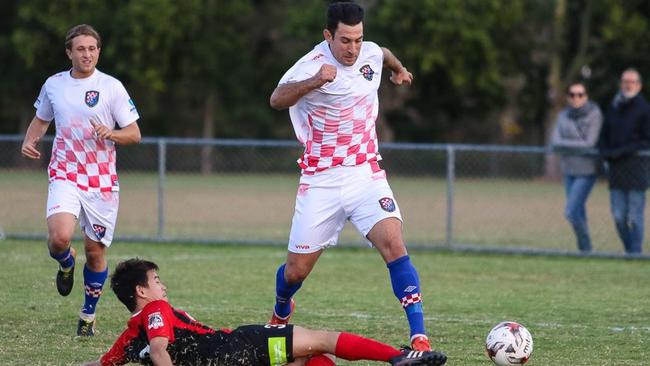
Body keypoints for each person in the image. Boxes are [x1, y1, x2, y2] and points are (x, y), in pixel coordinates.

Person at [268, 2, 434, 352]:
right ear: (328, 35)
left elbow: (384, 53)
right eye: (345, 40)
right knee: (295, 272)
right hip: (321, 180)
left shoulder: (370, 54)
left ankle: (419, 335)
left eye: (358, 39)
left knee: (395, 246)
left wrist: (399, 70)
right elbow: (277, 98)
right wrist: (315, 82)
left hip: (365, 174)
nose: (353, 48)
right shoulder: (310, 65)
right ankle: (282, 307)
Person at [82, 258, 447, 366]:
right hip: (239, 347)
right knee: (321, 339)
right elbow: (160, 349)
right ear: (141, 292)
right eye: (156, 280)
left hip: (236, 360)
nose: (163, 287)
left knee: (306, 357)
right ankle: (398, 358)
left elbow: (104, 363)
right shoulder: (156, 310)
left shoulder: (131, 336)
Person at [20, 24, 141, 336]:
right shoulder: (54, 85)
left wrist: (111, 133)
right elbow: (41, 118)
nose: (87, 54)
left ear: (98, 51)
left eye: (92, 48)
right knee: (59, 238)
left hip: (101, 181)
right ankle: (64, 261)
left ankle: (88, 313)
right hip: (65, 173)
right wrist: (30, 140)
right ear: (69, 53)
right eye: (80, 49)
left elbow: (134, 133)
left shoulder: (112, 87)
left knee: (96, 251)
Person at [599, 68, 650, 254]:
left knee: (634, 216)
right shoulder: (614, 106)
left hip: (637, 168)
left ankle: (635, 252)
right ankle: (630, 249)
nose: (628, 84)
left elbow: (646, 140)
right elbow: (604, 134)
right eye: (625, 81)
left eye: (632, 81)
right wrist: (604, 151)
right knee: (619, 216)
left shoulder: (645, 109)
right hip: (616, 169)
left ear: (639, 85)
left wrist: (621, 151)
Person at [550, 82, 603, 253]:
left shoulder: (595, 114)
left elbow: (590, 143)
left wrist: (567, 144)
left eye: (580, 94)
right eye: (572, 94)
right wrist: (577, 143)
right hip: (569, 170)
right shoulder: (562, 115)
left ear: (586, 96)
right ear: (567, 97)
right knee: (578, 211)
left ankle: (585, 246)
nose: (576, 98)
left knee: (571, 212)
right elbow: (555, 142)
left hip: (587, 171)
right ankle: (585, 252)